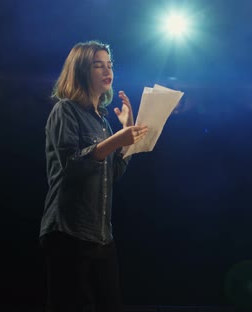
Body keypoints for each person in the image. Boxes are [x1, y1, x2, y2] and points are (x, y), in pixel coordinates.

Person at [39, 40, 148, 312]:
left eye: (109, 65)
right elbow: (71, 167)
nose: (106, 70)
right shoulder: (65, 110)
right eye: (98, 65)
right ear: (81, 71)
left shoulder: (103, 122)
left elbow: (113, 173)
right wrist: (114, 141)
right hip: (68, 232)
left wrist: (126, 135)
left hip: (101, 236)